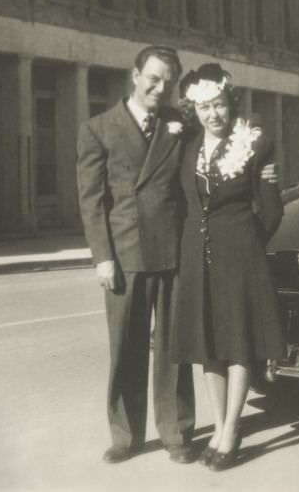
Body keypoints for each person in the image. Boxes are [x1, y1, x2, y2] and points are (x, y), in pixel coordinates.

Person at [76, 45, 195, 464]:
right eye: (154, 78)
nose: (160, 88)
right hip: (124, 255)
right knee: (125, 348)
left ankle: (176, 432)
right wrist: (102, 258)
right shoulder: (98, 129)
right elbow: (92, 202)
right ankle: (125, 436)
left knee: (172, 349)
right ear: (135, 75)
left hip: (172, 250)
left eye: (169, 81)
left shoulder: (180, 124)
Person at [170, 63, 285, 472]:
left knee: (238, 343)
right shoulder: (188, 147)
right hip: (196, 259)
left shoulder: (255, 145)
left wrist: (248, 245)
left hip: (240, 257)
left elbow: (272, 210)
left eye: (218, 105)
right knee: (208, 347)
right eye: (203, 108)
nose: (212, 115)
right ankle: (217, 425)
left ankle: (232, 430)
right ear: (194, 111)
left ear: (229, 103)